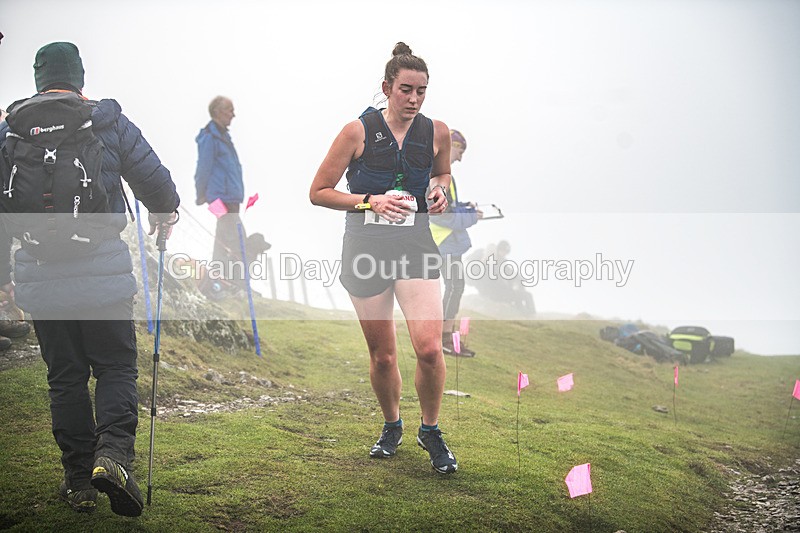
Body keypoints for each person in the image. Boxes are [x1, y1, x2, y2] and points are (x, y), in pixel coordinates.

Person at [0, 42, 180, 516]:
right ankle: (113, 456)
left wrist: (3, 280)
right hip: (101, 272)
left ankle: (78, 479)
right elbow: (156, 182)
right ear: (78, 76)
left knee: (66, 377)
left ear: (40, 78)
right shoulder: (103, 120)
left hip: (39, 273)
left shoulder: (11, 130)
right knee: (116, 367)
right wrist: (165, 214)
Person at [310, 43, 457, 474]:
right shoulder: (356, 131)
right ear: (387, 87)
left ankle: (430, 430)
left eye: (422, 91)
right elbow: (319, 192)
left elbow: (443, 173)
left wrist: (441, 189)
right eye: (406, 89)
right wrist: (369, 201)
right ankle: (392, 425)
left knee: (429, 348)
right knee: (384, 356)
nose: (414, 99)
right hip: (365, 249)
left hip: (415, 245)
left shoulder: (437, 131)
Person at [430, 129, 481, 357]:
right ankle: (442, 338)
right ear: (450, 146)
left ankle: (445, 337)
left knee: (454, 287)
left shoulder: (444, 175)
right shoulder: (435, 175)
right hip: (442, 242)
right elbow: (441, 215)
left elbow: (449, 207)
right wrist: (472, 217)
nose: (460, 158)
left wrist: (466, 207)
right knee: (453, 287)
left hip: (449, 242)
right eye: (460, 151)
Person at [193, 96, 246, 288]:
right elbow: (203, 167)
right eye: (229, 110)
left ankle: (219, 282)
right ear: (217, 111)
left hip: (230, 198)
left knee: (224, 237)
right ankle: (233, 283)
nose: (233, 114)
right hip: (219, 199)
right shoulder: (210, 137)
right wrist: (201, 194)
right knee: (235, 238)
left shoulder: (224, 136)